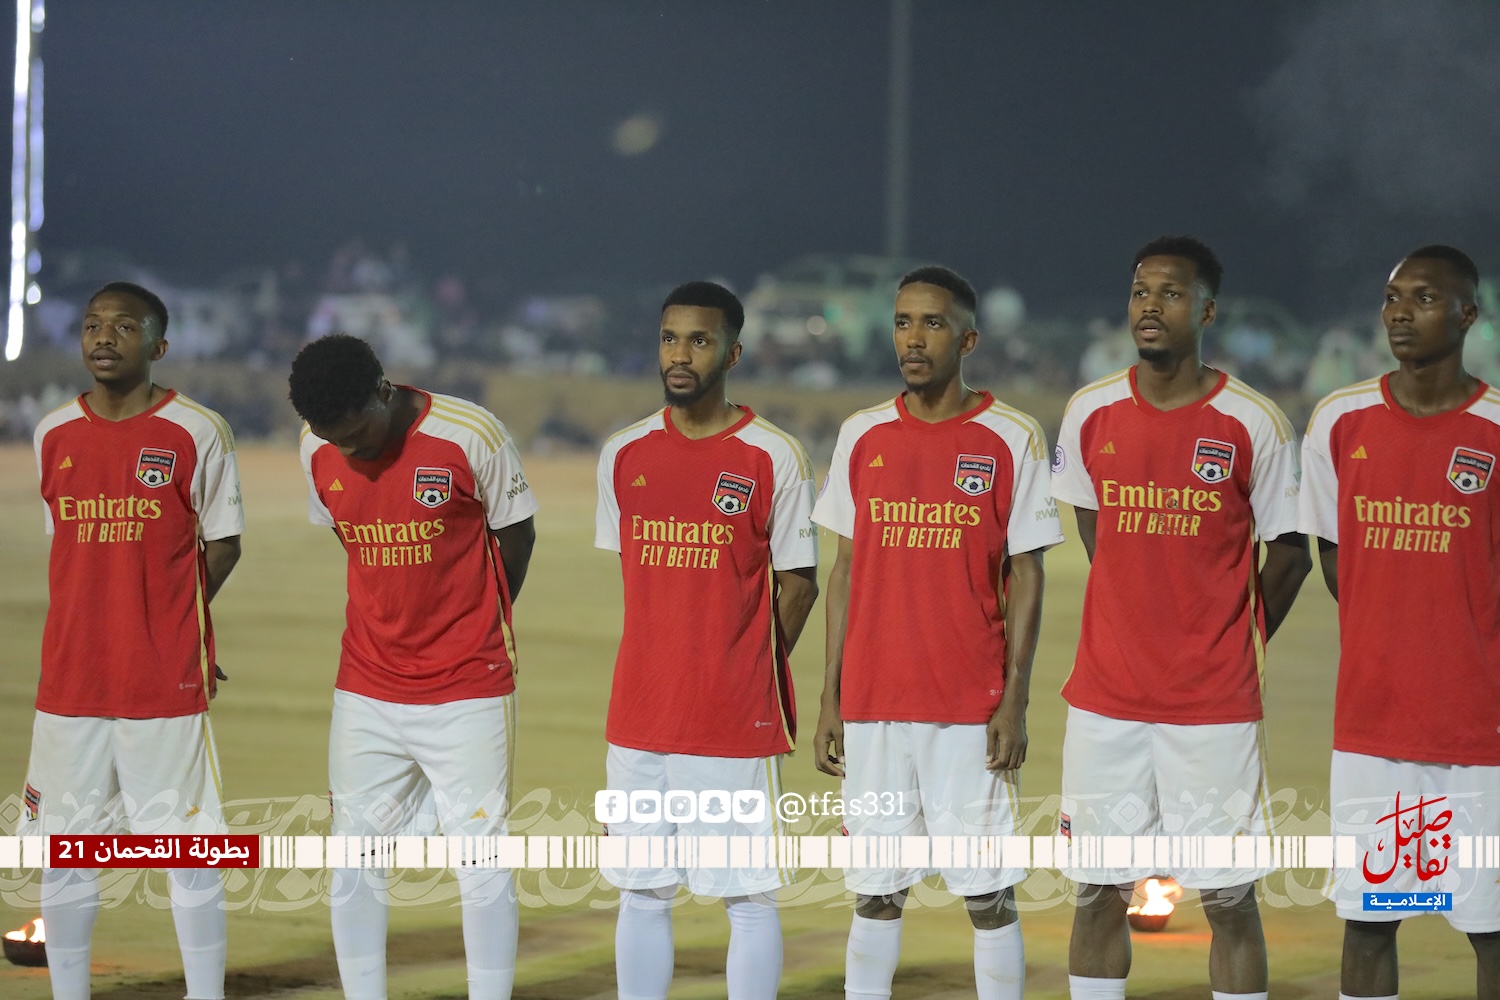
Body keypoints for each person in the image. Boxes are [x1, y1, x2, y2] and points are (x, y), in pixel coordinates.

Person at [1050, 236, 1311, 1000]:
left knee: (1228, 897)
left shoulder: (1251, 421)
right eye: (1140, 291)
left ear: (1207, 311)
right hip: (1105, 701)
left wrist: (1228, 636)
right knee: (1097, 891)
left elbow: (1290, 554)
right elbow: (1098, 532)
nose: (1150, 306)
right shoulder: (1091, 410)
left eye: (1170, 293)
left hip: (1213, 707)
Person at [811, 265, 1061, 1000]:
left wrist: (1014, 698)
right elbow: (844, 571)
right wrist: (830, 697)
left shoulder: (1011, 435)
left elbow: (1028, 574)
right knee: (875, 892)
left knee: (987, 894)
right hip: (874, 704)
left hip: (967, 706)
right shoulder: (862, 434)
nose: (913, 339)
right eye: (902, 323)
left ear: (968, 339)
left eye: (931, 323)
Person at [289, 333, 537, 1000]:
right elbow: (352, 535)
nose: (348, 451)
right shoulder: (315, 446)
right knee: (355, 855)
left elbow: (516, 533)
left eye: (357, 435)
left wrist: (476, 620)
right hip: (366, 685)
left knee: (480, 857)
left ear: (383, 392)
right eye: (334, 440)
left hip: (468, 685)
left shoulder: (469, 434)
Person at [594, 281, 819, 1000]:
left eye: (699, 340)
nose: (680, 355)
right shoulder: (624, 452)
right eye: (670, 338)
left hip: (728, 719)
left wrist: (746, 670)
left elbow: (800, 584)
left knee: (746, 896)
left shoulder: (772, 455)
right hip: (639, 712)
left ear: (733, 353)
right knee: (641, 891)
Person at [21, 281, 244, 1000]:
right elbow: (70, 548)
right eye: (92, 325)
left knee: (189, 849)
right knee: (66, 850)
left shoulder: (197, 430)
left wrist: (177, 620)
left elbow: (224, 543)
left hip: (161, 680)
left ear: (159, 345)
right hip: (71, 680)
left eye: (123, 326)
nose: (103, 337)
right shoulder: (53, 432)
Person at [1299, 245, 1500, 1000]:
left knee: (1490, 927)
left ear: (1469, 314)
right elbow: (1334, 558)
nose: (1400, 314)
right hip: (1374, 728)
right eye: (1391, 298)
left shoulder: (1495, 427)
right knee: (1370, 922)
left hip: (1479, 734)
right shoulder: (1340, 420)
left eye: (1423, 298)